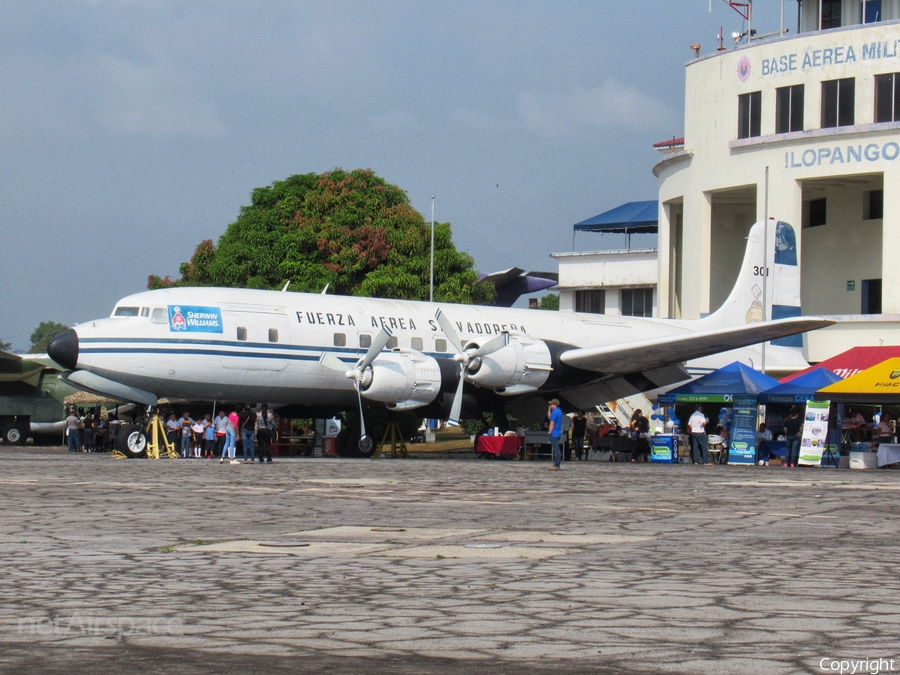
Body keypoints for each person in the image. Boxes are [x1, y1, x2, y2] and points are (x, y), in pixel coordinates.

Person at [547, 399, 563, 471]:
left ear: (555, 405)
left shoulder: (555, 412)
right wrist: (549, 410)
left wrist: (550, 431)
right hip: (558, 432)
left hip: (554, 433)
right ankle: (557, 465)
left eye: (551, 404)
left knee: (557, 450)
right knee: (557, 449)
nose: (550, 406)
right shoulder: (559, 411)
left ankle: (556, 465)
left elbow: (552, 423)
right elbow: (549, 417)